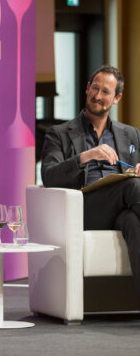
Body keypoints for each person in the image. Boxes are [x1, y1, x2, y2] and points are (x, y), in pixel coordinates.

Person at [41, 65, 140, 298]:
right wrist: (87, 156)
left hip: (122, 209)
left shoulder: (131, 135)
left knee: (133, 221)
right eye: (94, 88)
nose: (98, 96)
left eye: (106, 92)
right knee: (132, 187)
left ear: (117, 98)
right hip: (84, 208)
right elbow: (48, 175)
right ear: (87, 89)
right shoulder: (59, 133)